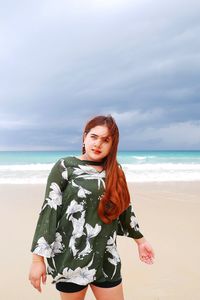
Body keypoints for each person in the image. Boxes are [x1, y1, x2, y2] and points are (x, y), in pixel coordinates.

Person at [28, 114, 155, 300]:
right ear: (84, 137)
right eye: (94, 137)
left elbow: (124, 209)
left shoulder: (115, 171)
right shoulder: (65, 166)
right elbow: (49, 210)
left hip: (106, 255)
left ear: (113, 145)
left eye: (106, 140)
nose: (98, 144)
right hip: (69, 256)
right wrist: (37, 259)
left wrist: (141, 241)